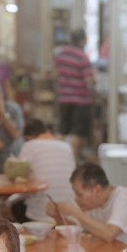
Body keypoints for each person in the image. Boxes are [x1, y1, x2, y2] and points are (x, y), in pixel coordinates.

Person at [7, 119, 75, 223]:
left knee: (15, 205)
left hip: (42, 213)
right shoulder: (66, 147)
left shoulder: (29, 145)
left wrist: (8, 201)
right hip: (68, 213)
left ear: (28, 138)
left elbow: (21, 179)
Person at [54, 29, 95, 161]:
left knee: (62, 129)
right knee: (77, 131)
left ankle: (58, 158)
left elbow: (55, 73)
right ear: (82, 40)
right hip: (80, 100)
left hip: (64, 97)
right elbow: (88, 79)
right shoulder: (82, 56)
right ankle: (72, 160)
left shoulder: (61, 53)